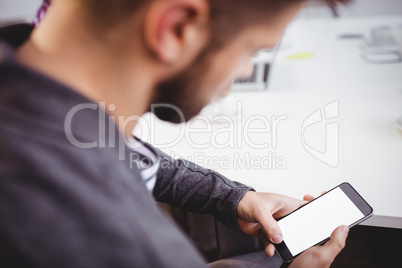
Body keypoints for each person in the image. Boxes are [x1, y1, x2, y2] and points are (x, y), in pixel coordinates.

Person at [0, 0, 350, 267]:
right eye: (252, 49)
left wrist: (233, 198)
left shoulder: (33, 92)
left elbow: (134, 157)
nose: (245, 70)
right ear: (177, 27)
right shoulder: (117, 242)